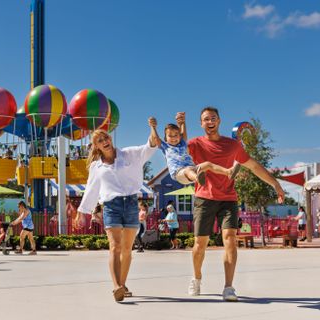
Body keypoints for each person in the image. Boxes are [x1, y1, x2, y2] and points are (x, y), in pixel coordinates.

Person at [182, 108, 284, 301]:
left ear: (219, 121)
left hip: (228, 198)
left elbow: (253, 166)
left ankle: (228, 287)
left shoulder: (232, 145)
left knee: (230, 238)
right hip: (204, 198)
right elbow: (179, 147)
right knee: (199, 244)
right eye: (205, 119)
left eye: (213, 118)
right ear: (201, 124)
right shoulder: (195, 144)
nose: (210, 121)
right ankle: (196, 278)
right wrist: (180, 125)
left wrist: (275, 183)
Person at [76, 120, 158, 302]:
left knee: (127, 249)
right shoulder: (96, 167)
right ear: (96, 147)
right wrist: (82, 211)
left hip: (130, 203)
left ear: (110, 138)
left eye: (106, 137)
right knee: (115, 246)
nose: (105, 141)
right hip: (111, 206)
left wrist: (153, 128)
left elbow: (150, 146)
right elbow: (91, 189)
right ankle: (116, 286)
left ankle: (122, 284)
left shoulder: (129, 154)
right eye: (100, 140)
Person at [150, 117, 238, 185]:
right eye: (170, 136)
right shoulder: (166, 146)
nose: (173, 138)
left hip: (192, 168)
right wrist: (153, 127)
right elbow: (155, 139)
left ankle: (228, 172)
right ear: (166, 138)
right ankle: (197, 179)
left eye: (176, 135)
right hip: (179, 174)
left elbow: (183, 133)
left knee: (208, 164)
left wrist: (183, 122)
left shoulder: (182, 144)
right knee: (188, 170)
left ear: (179, 136)